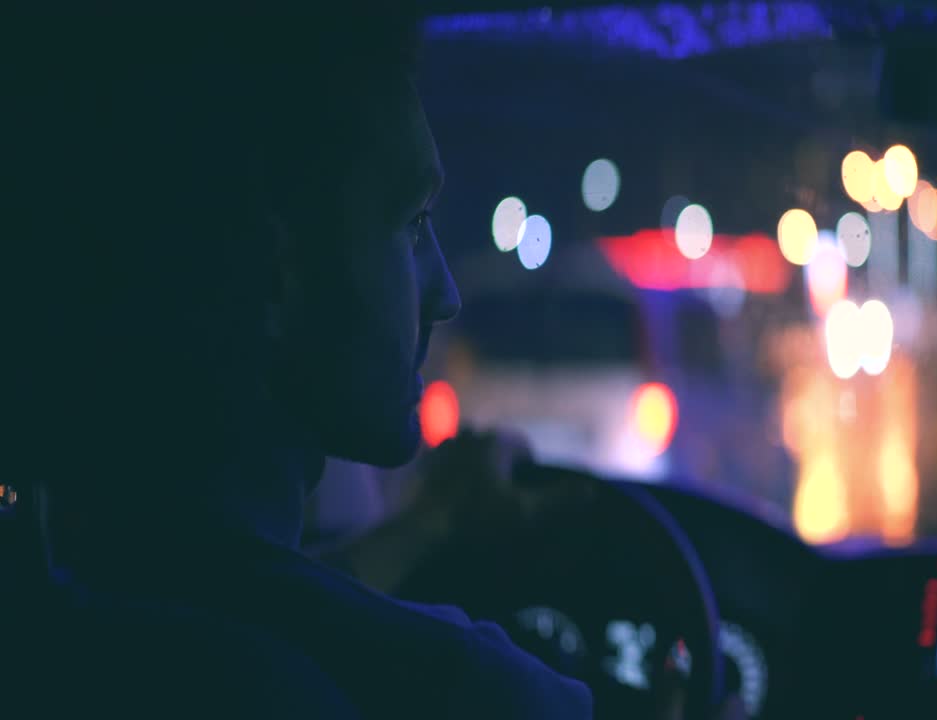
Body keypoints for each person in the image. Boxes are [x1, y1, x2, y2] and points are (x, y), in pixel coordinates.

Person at [17, 9, 591, 719]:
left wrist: (433, 519)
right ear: (276, 272)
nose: (446, 295)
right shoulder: (472, 692)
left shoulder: (77, 585)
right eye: (412, 225)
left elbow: (240, 586)